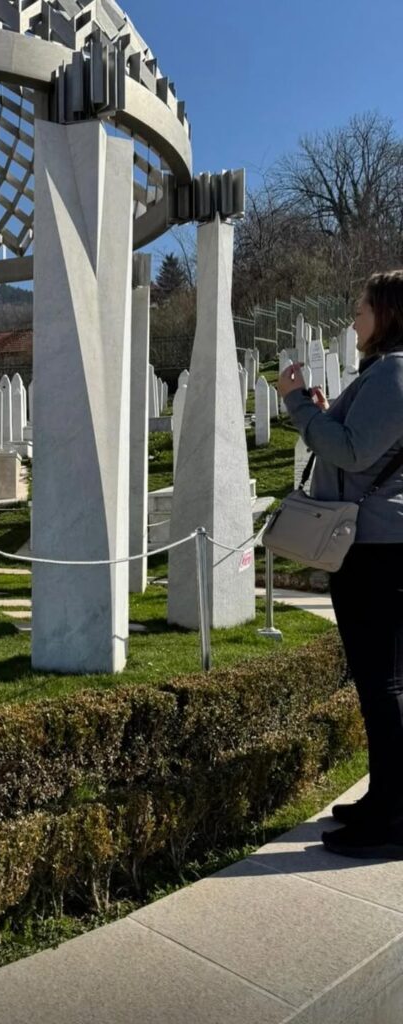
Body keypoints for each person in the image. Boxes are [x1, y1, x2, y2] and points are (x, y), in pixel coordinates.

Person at [277, 269, 403, 859]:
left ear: (389, 313)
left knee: (383, 685)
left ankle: (391, 817)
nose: (355, 318)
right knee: (384, 683)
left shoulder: (395, 372)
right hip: (381, 547)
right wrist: (324, 415)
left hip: (376, 550)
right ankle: (385, 799)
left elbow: (350, 450)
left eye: (363, 307)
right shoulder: (389, 373)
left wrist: (299, 404)